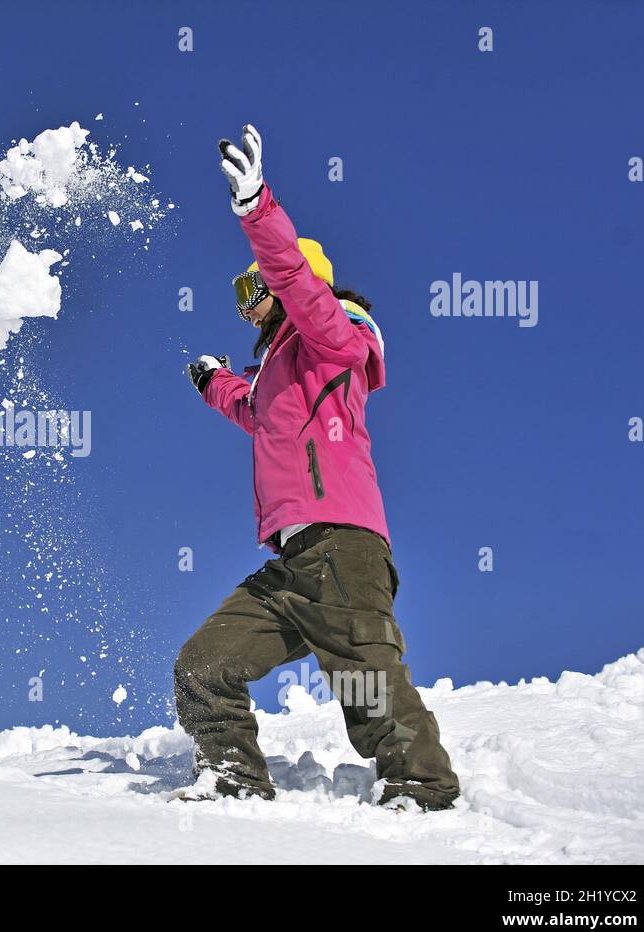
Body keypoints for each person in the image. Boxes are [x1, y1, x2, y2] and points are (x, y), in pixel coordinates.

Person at [174, 125, 460, 812]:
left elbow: (301, 289)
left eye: (254, 288)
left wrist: (257, 211)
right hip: (293, 562)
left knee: (366, 672)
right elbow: (256, 412)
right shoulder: (279, 370)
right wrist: (216, 382)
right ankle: (234, 780)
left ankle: (422, 786)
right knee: (203, 667)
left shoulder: (334, 337)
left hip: (342, 546)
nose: (247, 305)